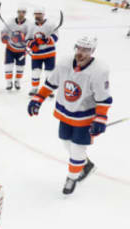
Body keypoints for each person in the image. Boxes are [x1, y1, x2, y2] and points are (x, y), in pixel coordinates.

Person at [27, 36, 112, 195]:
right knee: (66, 142)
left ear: (92, 51)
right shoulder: (65, 63)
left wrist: (100, 118)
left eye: (86, 50)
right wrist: (38, 98)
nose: (81, 53)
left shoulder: (99, 71)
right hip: (65, 111)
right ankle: (86, 164)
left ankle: (72, 177)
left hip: (84, 115)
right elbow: (51, 82)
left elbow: (103, 98)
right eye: (79, 48)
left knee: (77, 148)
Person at [25, 7, 58, 96]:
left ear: (43, 14)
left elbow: (55, 37)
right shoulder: (31, 26)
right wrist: (32, 44)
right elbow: (27, 39)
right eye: (36, 14)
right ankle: (34, 88)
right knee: (36, 72)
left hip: (49, 53)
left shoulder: (50, 24)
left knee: (49, 73)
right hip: (37, 54)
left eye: (39, 14)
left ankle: (49, 90)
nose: (37, 16)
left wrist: (46, 41)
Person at [0, 6, 29, 91]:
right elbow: (3, 32)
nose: (21, 14)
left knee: (20, 67)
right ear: (17, 12)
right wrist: (5, 37)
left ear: (25, 13)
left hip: (22, 50)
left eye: (23, 12)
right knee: (8, 66)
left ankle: (17, 81)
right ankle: (8, 82)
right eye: (19, 12)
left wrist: (23, 38)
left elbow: (30, 36)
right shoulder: (10, 22)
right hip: (10, 49)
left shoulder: (29, 24)